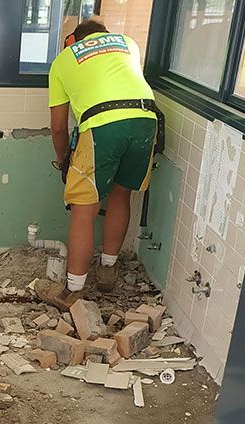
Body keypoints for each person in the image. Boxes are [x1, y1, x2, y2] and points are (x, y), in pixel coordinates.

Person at [36, 18, 158, 311]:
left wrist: (65, 161)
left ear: (73, 40)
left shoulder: (64, 60)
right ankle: (107, 271)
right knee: (120, 194)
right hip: (146, 120)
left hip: (103, 125)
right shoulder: (129, 44)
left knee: (83, 208)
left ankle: (73, 292)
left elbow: (57, 128)